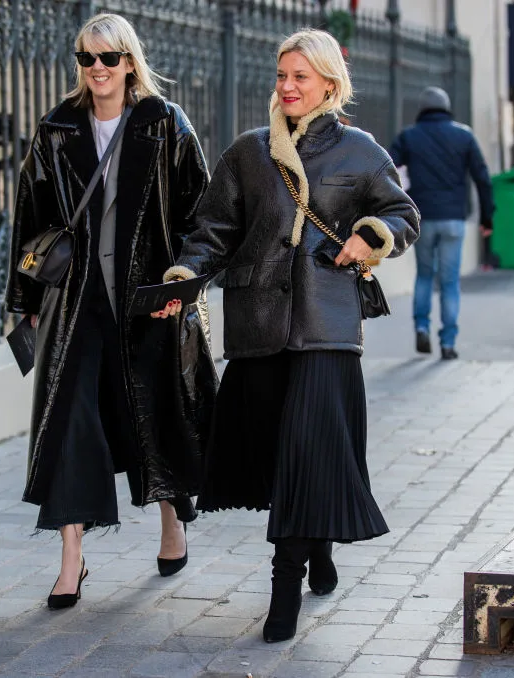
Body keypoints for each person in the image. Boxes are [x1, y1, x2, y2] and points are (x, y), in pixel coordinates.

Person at [154, 29, 419, 643]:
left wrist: (372, 234)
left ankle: (283, 592)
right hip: (258, 328)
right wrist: (184, 274)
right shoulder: (249, 152)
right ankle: (317, 547)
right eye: (282, 76)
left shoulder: (359, 150)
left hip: (326, 328)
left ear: (330, 83)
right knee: (281, 459)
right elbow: (213, 229)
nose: (289, 87)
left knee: (307, 452)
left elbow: (404, 213)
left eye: (302, 76)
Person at [4, 12, 217, 610]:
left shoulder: (164, 125)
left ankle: (172, 521)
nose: (98, 69)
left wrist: (183, 286)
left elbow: (197, 213)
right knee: (71, 419)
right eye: (87, 58)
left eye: (109, 57)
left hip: (146, 301)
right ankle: (71, 560)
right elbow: (30, 218)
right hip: (76, 304)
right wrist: (26, 302)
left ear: (130, 61)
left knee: (153, 411)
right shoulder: (56, 129)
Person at [388, 86, 494, 360]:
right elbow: (482, 177)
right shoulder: (464, 136)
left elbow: (386, 170)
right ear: (447, 107)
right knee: (449, 282)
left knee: (424, 275)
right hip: (453, 220)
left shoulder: (409, 137)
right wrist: (486, 217)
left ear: (422, 109)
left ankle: (421, 327)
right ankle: (448, 343)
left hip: (422, 218)